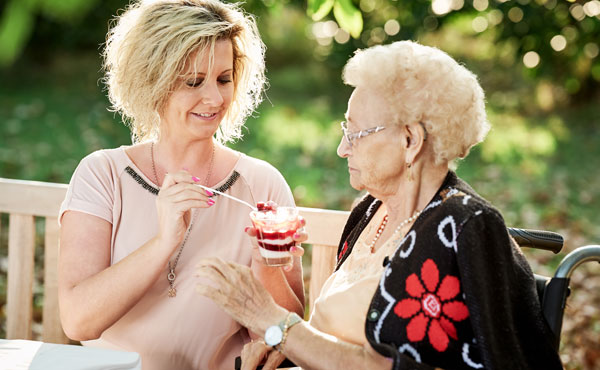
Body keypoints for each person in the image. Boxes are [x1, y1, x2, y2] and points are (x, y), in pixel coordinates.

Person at [196, 41, 564, 369]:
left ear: (410, 140)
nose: (343, 149)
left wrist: (270, 320)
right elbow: (337, 338)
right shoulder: (372, 210)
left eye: (355, 134)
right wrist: (286, 347)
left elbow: (391, 365)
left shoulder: (457, 226)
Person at [57, 1, 304, 369]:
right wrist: (164, 242)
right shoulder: (103, 174)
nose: (215, 99)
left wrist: (265, 265)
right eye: (193, 82)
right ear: (151, 80)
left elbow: (288, 340)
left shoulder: (262, 185)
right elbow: (78, 320)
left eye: (224, 79)